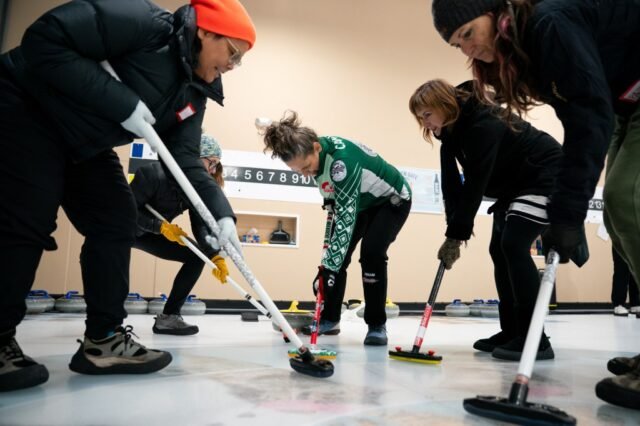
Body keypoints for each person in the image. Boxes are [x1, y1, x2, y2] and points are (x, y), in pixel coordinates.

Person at [0, 0, 255, 392]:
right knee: (28, 217)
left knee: (117, 219)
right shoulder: (145, 25)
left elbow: (185, 159)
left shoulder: (194, 94)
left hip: (86, 141)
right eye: (233, 53)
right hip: (27, 107)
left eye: (241, 60)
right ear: (205, 31)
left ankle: (103, 341)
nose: (234, 66)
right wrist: (123, 102)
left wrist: (222, 214)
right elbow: (43, 39)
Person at [431, 0, 640, 410]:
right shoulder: (524, 56)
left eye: (468, 33)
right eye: (458, 45)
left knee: (625, 200)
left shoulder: (548, 26)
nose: (468, 50)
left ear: (495, 12)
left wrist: (567, 212)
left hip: (618, 102)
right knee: (618, 219)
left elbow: (587, 118)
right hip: (623, 105)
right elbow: (581, 117)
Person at [409, 79, 562, 361]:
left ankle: (535, 340)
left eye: (427, 114)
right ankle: (513, 331)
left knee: (514, 245)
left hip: (544, 173)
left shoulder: (483, 122)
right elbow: (452, 188)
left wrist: (458, 234)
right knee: (498, 250)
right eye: (420, 118)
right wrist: (453, 233)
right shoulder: (452, 136)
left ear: (445, 105)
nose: (425, 123)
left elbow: (475, 183)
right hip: (515, 184)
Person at [262, 112, 412, 346]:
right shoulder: (315, 159)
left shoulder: (343, 163)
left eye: (306, 167)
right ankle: (330, 319)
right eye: (299, 171)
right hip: (359, 202)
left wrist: (329, 269)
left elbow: (346, 218)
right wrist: (329, 268)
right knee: (335, 258)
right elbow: (337, 203)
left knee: (371, 254)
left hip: (390, 200)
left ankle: (376, 324)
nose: (306, 174)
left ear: (316, 148)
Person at [131, 134, 237, 335]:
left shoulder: (194, 189)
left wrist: (213, 256)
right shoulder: (153, 174)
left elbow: (200, 226)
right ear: (195, 158)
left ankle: (169, 318)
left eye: (216, 165)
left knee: (196, 257)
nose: (212, 170)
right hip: (125, 230)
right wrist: (159, 227)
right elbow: (127, 212)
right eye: (211, 163)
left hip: (154, 231)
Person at [611, 247, 640, 316]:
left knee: (636, 266)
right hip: (620, 241)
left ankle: (635, 303)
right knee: (621, 267)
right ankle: (618, 304)